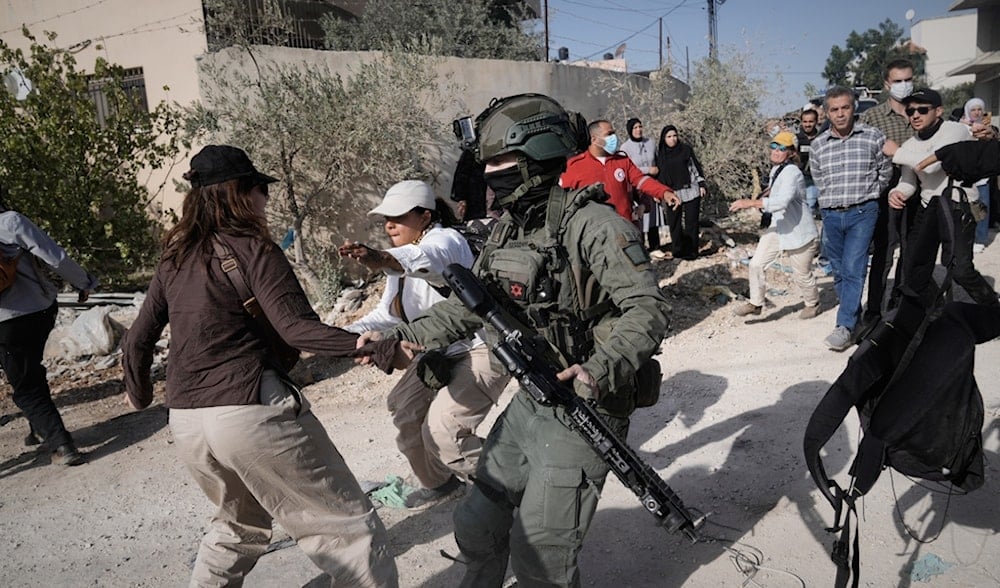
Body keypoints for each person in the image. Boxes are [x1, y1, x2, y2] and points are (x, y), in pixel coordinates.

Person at [364, 94, 671, 586]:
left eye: (502, 161)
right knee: (476, 527)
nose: (491, 173)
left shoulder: (594, 225)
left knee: (540, 556)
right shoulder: (510, 229)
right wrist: (401, 336)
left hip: (587, 402)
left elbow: (648, 308)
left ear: (538, 155)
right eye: (488, 164)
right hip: (534, 398)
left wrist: (598, 367)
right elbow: (471, 304)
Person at [120, 145, 401, 587]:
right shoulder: (254, 249)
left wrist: (138, 395)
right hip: (249, 409)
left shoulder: (174, 259)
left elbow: (137, 339)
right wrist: (376, 348)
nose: (265, 200)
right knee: (348, 531)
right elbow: (296, 330)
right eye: (259, 189)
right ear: (240, 194)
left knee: (236, 528)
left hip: (188, 422)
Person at [338, 180, 509, 510]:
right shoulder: (395, 262)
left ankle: (521, 480)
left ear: (425, 216)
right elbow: (387, 314)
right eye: (386, 218)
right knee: (404, 409)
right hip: (435, 347)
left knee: (445, 432)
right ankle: (441, 484)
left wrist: (382, 257)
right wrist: (339, 336)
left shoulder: (445, 240)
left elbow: (426, 257)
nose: (389, 225)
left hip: (477, 347)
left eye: (398, 216)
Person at [0, 184, 98, 466]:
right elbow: (55, 257)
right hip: (38, 311)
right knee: (28, 369)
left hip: (5, 324)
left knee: (26, 384)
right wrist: (84, 282)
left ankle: (62, 444)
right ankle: (40, 429)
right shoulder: (11, 221)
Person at [889, 89, 998, 308]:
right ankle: (934, 310)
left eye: (922, 109)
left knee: (959, 269)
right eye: (910, 111)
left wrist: (896, 152)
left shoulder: (954, 130)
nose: (915, 115)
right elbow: (909, 182)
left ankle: (992, 306)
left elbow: (936, 163)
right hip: (929, 206)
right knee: (913, 266)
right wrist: (897, 193)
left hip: (961, 205)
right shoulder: (910, 145)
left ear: (938, 111)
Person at [810, 86, 892, 351]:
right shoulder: (818, 145)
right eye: (834, 109)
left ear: (853, 107)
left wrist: (870, 195)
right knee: (838, 270)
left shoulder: (872, 137)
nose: (840, 114)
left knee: (854, 267)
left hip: (862, 212)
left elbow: (885, 171)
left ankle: (844, 325)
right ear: (826, 113)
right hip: (832, 215)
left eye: (845, 107)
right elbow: (819, 178)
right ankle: (853, 319)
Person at [729, 132, 820, 319]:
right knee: (756, 263)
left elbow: (782, 202)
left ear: (791, 152)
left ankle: (813, 303)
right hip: (778, 227)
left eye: (782, 148)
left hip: (798, 232)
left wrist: (750, 203)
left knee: (801, 274)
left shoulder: (792, 172)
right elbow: (773, 196)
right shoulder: (776, 171)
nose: (776, 151)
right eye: (774, 146)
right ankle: (756, 303)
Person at [858, 58, 917, 332]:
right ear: (886, 84)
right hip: (884, 189)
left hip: (920, 188)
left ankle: (899, 306)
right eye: (898, 81)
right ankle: (873, 311)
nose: (904, 85)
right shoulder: (873, 117)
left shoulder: (920, 112)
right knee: (884, 251)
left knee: (912, 249)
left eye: (908, 79)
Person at [560, 119, 679, 226]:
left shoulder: (622, 161)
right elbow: (562, 199)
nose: (614, 137)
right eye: (609, 134)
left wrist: (664, 193)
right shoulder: (575, 166)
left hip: (625, 226)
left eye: (614, 133)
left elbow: (641, 181)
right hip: (596, 233)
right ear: (594, 139)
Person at [655, 125, 707, 260]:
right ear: (663, 139)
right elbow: (659, 175)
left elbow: (695, 167)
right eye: (669, 137)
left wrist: (701, 184)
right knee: (674, 222)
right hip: (672, 193)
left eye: (674, 136)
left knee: (691, 222)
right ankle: (678, 251)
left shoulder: (685, 150)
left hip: (691, 190)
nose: (673, 139)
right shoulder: (661, 154)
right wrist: (659, 192)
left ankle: (692, 252)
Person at [961, 97, 999, 253]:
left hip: (982, 176)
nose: (977, 113)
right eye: (973, 110)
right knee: (964, 209)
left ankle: (980, 238)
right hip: (964, 175)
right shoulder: (960, 127)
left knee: (981, 208)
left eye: (979, 109)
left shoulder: (989, 128)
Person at [620, 117, 663, 252]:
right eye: (635, 128)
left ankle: (655, 246)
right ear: (630, 130)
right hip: (637, 186)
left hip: (652, 183)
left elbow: (656, 160)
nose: (638, 130)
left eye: (640, 127)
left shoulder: (650, 143)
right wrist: (647, 170)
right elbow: (627, 168)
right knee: (641, 215)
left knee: (654, 216)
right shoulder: (625, 148)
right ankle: (641, 248)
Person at [796, 108, 822, 215]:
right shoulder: (796, 138)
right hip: (801, 176)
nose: (807, 124)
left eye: (811, 121)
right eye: (805, 122)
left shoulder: (821, 138)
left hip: (816, 176)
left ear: (816, 122)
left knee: (810, 204)